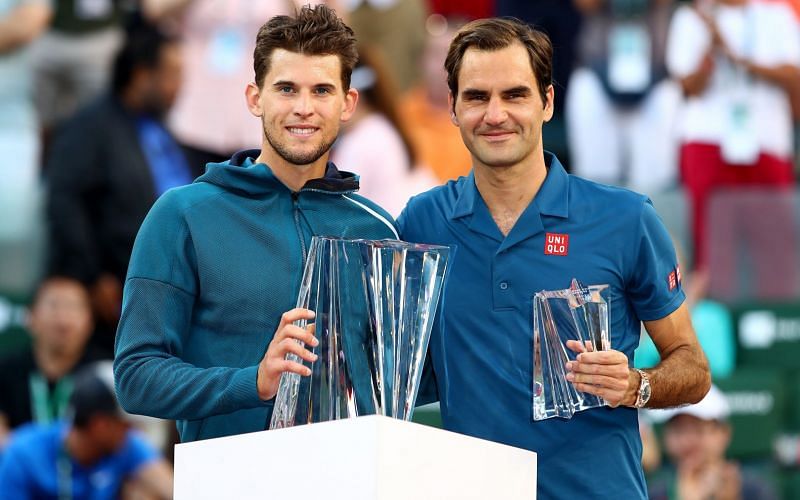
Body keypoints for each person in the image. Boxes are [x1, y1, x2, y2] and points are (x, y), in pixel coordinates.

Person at [397, 18, 710, 498]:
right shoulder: (422, 222)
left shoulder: (624, 218)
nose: (495, 114)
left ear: (547, 103)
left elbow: (693, 368)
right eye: (477, 97)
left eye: (515, 95)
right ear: (454, 109)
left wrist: (634, 385)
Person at [113, 4, 398, 443]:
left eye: (322, 90)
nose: (304, 108)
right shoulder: (182, 214)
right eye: (286, 89)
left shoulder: (378, 230)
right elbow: (136, 376)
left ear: (348, 103)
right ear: (254, 98)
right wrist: (254, 382)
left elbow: (399, 378)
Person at [46, 24, 192, 355]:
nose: (179, 86)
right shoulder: (89, 128)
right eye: (172, 74)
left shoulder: (163, 129)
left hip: (165, 295)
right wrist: (94, 275)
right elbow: (65, 203)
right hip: (108, 302)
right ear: (142, 76)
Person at [666, 0, 800, 274]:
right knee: (711, 246)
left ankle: (773, 313)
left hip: (767, 139)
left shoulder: (776, 15)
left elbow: (794, 75)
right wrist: (712, 51)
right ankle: (714, 314)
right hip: (707, 137)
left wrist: (742, 61)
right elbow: (688, 86)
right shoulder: (693, 16)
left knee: (776, 246)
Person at [0, 361, 173, 499]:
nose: (132, 432)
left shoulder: (127, 445)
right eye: (126, 425)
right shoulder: (22, 454)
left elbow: (171, 488)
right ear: (100, 425)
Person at [0, 277, 106, 448]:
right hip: (19, 468)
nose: (63, 320)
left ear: (90, 322)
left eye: (73, 307)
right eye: (53, 306)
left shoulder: (105, 373)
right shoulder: (6, 369)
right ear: (30, 318)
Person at [331, 46, 437, 217]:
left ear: (351, 98)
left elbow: (336, 212)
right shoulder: (382, 129)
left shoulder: (364, 140)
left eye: (323, 92)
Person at [648, 385, 779, 500]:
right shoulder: (653, 493)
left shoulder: (755, 491)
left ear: (724, 433)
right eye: (678, 431)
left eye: (697, 430)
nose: (687, 441)